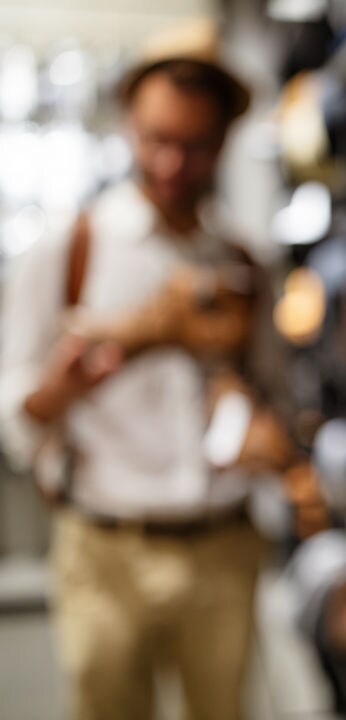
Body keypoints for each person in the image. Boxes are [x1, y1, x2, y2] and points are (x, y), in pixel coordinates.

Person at [0, 20, 302, 720]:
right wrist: (96, 365)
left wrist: (265, 428)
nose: (171, 165)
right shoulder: (69, 248)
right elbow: (18, 412)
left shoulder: (246, 263)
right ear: (128, 126)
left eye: (193, 147)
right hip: (104, 547)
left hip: (223, 547)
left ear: (224, 141)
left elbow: (276, 397)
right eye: (156, 140)